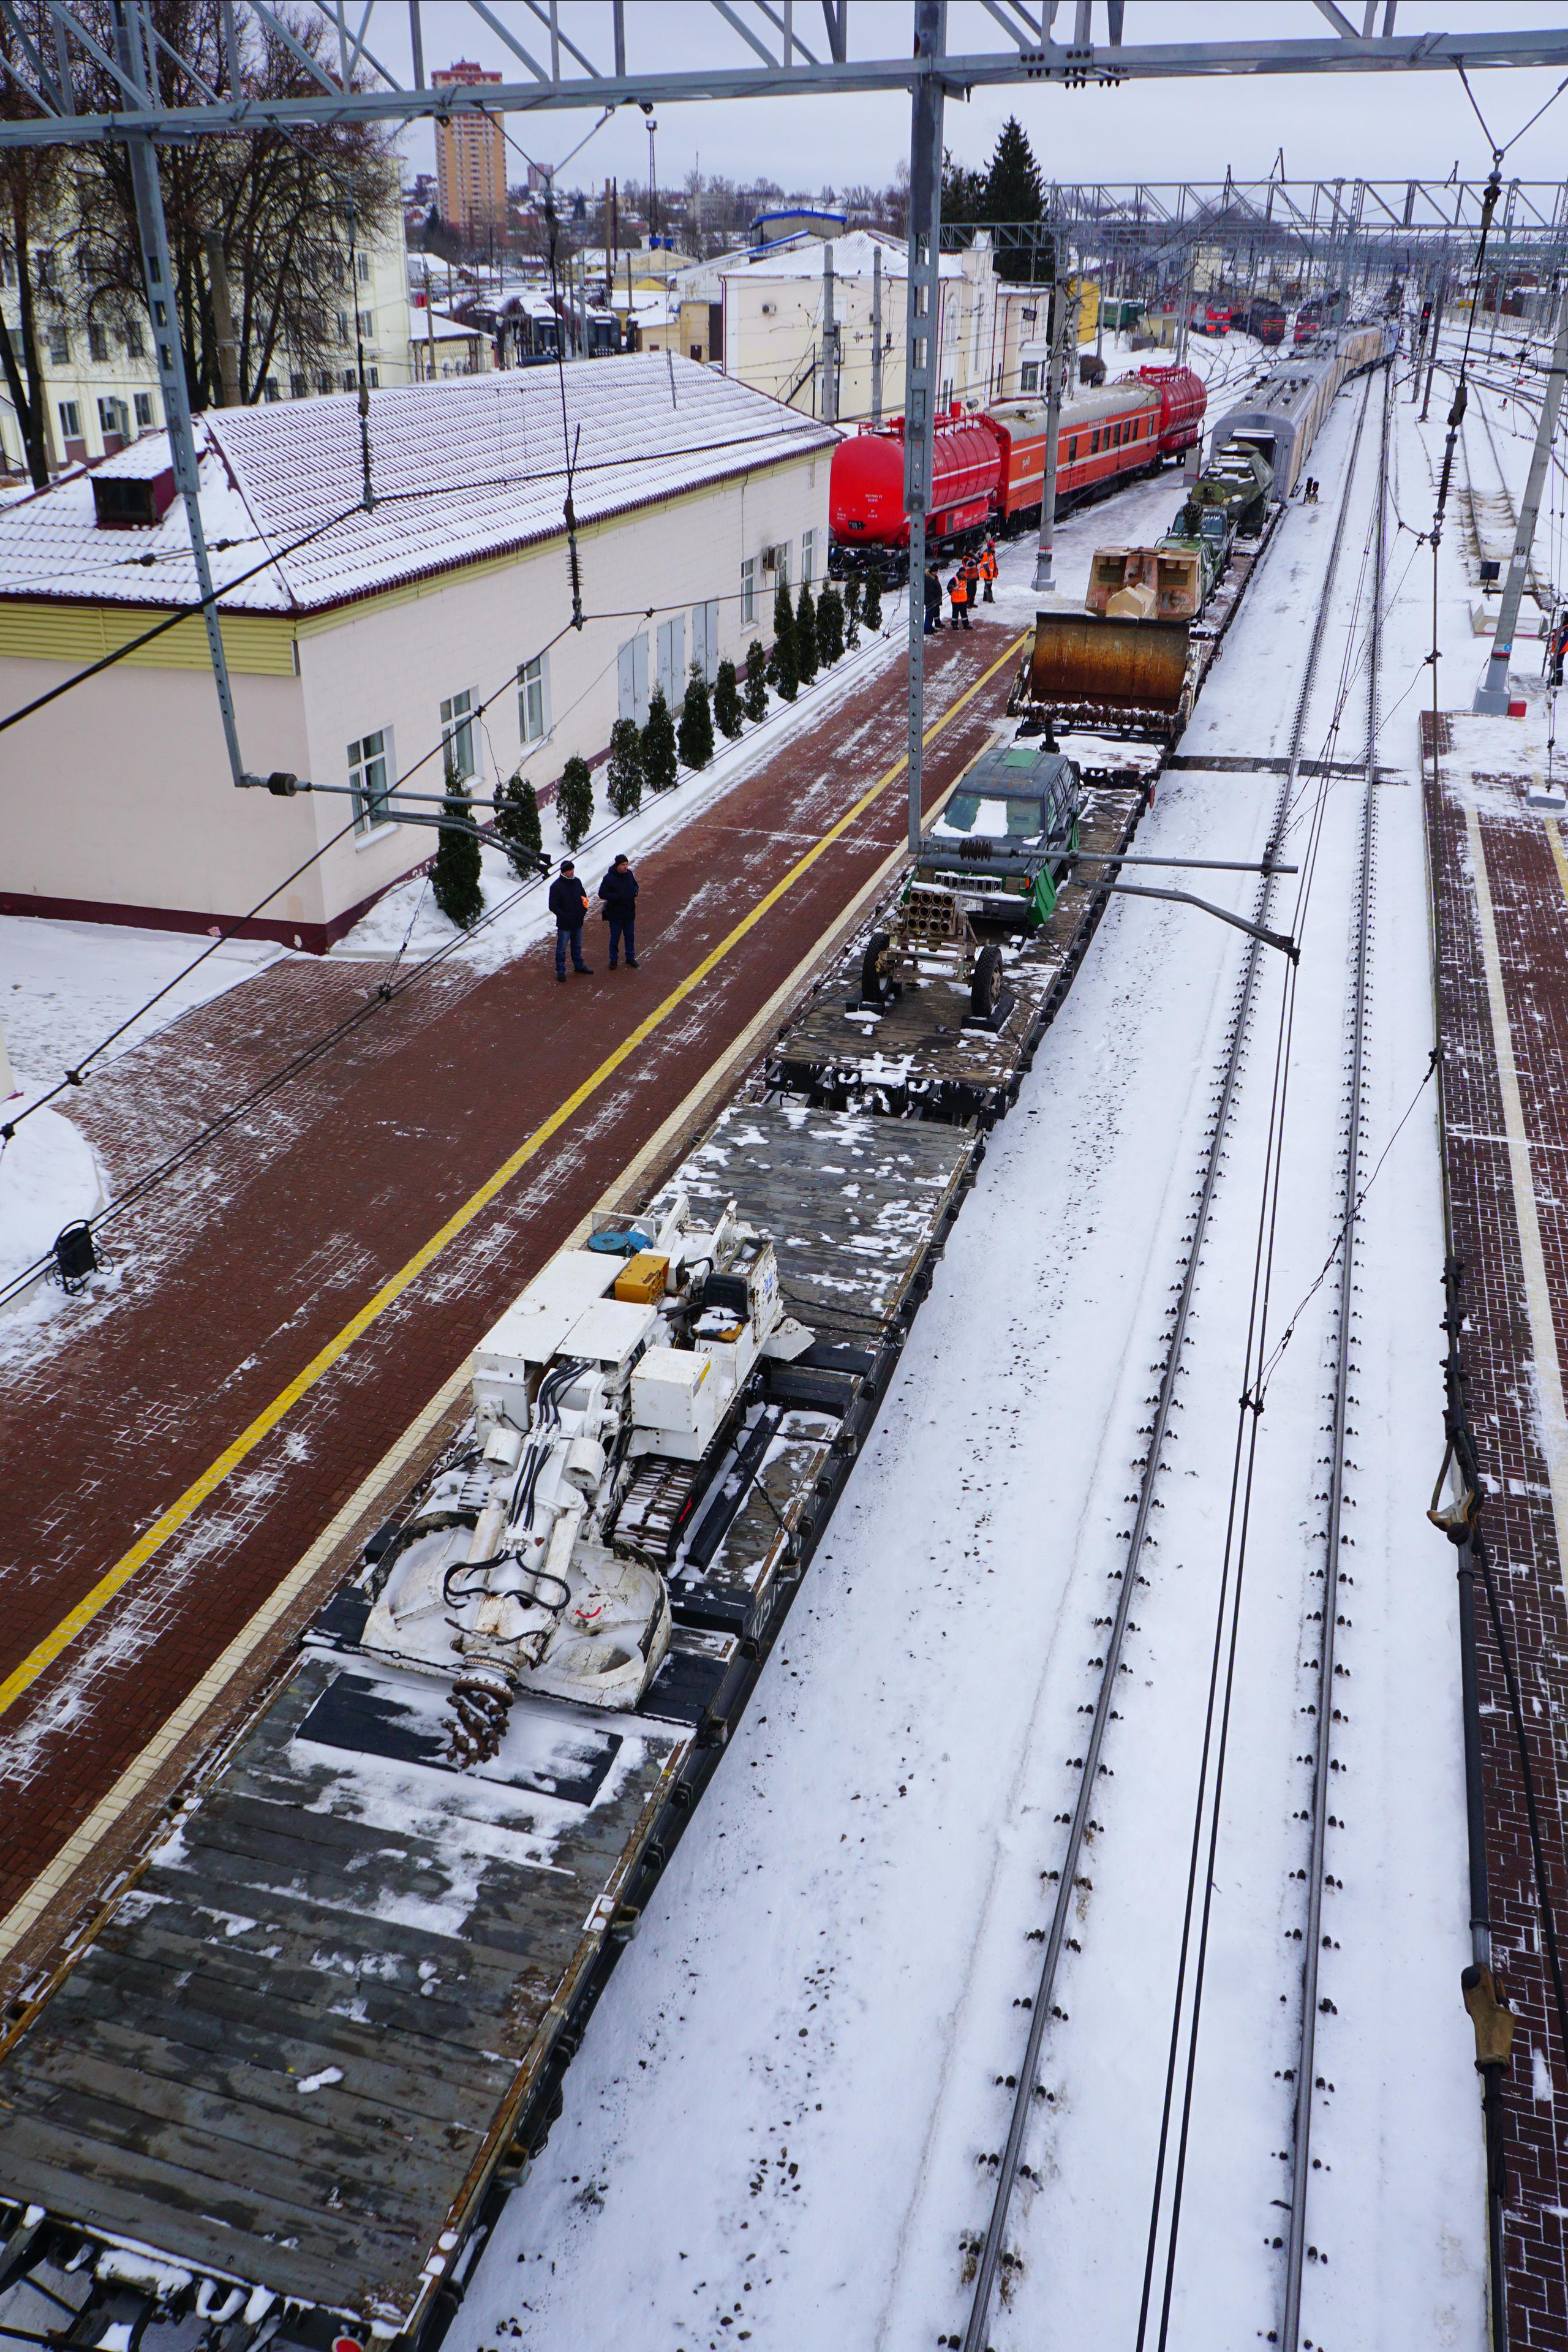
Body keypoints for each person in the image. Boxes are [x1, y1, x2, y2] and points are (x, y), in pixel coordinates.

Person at [549, 857, 590, 981]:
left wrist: (584, 909)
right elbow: (553, 906)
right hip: (565, 924)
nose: (572, 872)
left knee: (577, 946)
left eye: (573, 869)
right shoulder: (556, 887)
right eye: (570, 870)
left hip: (578, 921)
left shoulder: (577, 882)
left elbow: (584, 897)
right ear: (564, 872)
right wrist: (565, 916)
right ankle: (561, 971)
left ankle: (579, 965)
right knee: (562, 949)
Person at [599, 851, 639, 968]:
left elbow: (635, 885)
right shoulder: (609, 878)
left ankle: (630, 957)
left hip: (629, 913)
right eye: (623, 865)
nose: (626, 867)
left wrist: (635, 892)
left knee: (630, 937)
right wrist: (617, 897)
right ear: (617, 866)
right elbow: (602, 893)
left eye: (627, 864)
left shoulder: (629, 874)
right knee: (615, 938)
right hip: (616, 914)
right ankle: (613, 959)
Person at [948, 565, 971, 630]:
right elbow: (949, 587)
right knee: (955, 614)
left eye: (964, 572)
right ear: (959, 572)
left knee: (964, 613)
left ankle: (966, 625)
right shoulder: (954, 579)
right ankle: (954, 625)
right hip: (956, 600)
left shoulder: (965, 579)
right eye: (962, 572)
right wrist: (952, 594)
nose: (963, 574)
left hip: (963, 600)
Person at [923, 561, 943, 636]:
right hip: (931, 601)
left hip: (934, 600)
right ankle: (927, 629)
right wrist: (933, 602)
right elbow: (929, 593)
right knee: (929, 615)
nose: (937, 573)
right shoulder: (929, 580)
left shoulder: (933, 578)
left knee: (931, 615)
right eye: (936, 572)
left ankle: (930, 627)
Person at [978, 539, 998, 603]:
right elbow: (985, 564)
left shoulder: (991, 554)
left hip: (988, 573)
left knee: (987, 586)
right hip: (987, 573)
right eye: (993, 547)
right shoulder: (987, 554)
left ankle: (985, 598)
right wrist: (988, 572)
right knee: (989, 586)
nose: (994, 548)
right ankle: (990, 599)